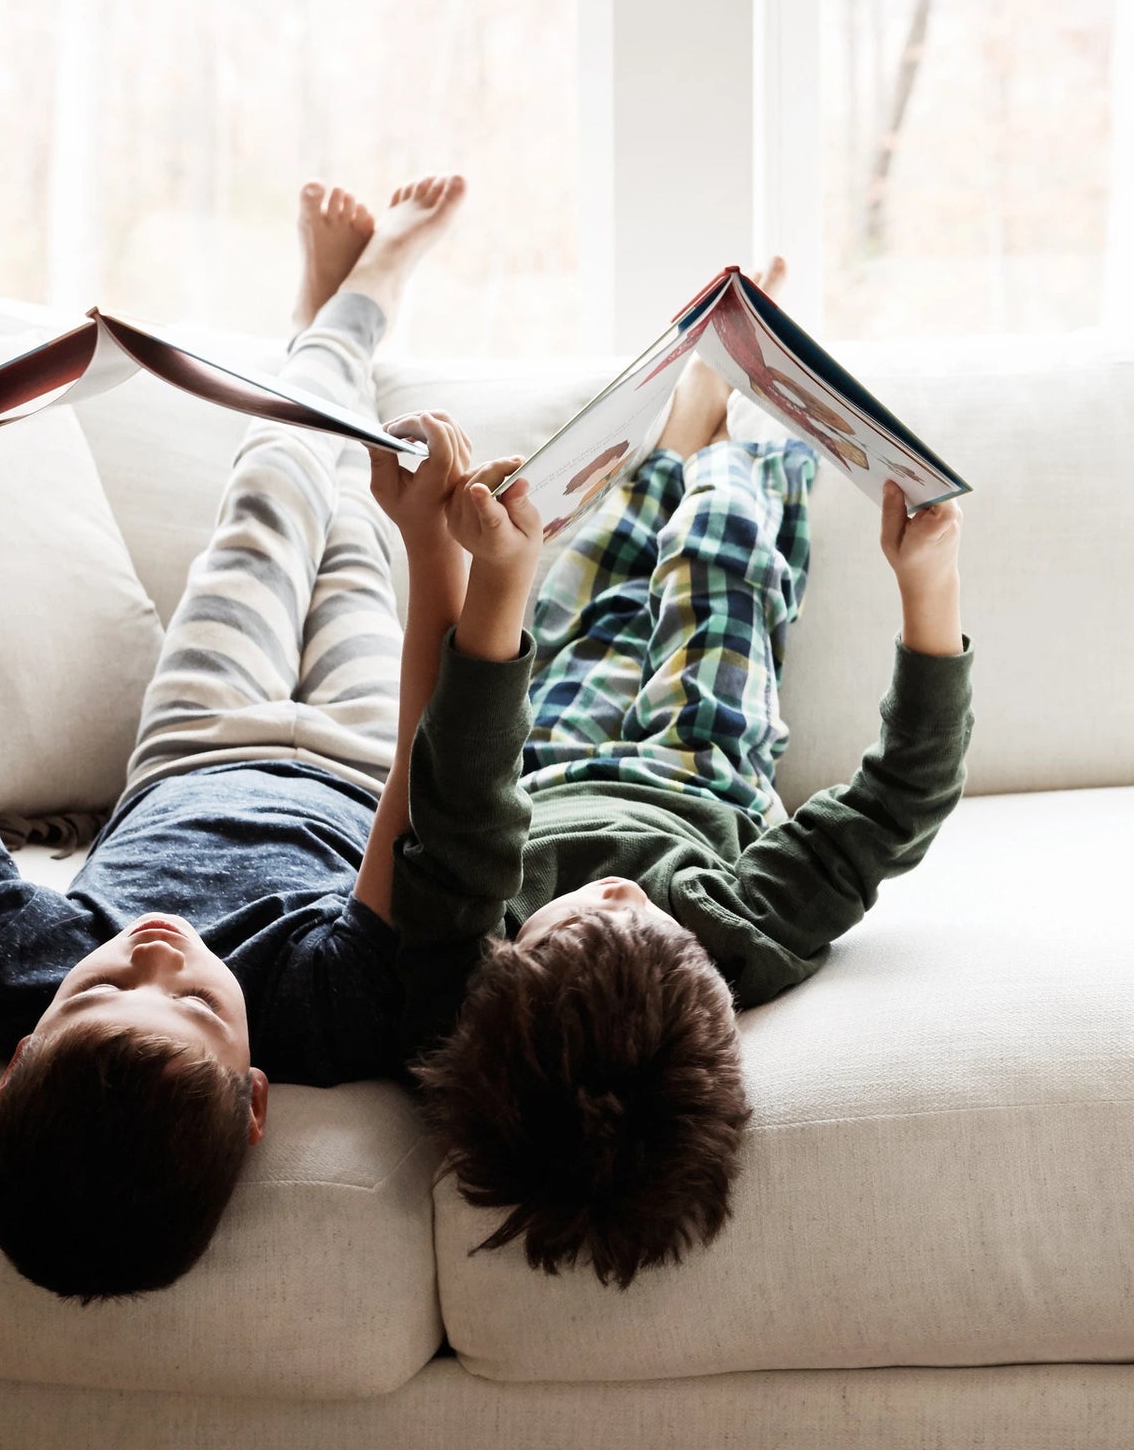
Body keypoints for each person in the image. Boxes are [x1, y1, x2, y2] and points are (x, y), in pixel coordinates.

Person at [0, 175, 483, 1301]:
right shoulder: (335, 1019)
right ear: (255, 1093)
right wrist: (435, 554)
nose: (158, 954)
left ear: (20, 1053)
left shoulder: (0, 971)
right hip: (366, 757)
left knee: (272, 482)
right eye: (197, 1005)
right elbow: (431, 772)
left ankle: (352, 304)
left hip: (199, 736)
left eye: (100, 983)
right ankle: (332, 322)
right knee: (363, 522)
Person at [391, 263, 972, 1289]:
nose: (613, 891)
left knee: (590, 579)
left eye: (571, 917)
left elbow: (463, 795)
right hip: (700, 765)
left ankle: (679, 430)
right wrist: (927, 592)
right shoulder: (736, 939)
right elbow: (896, 803)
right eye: (645, 917)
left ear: (501, 963)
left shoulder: (454, 972)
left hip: (550, 756)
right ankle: (734, 443)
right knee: (720, 559)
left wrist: (499, 581)